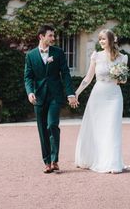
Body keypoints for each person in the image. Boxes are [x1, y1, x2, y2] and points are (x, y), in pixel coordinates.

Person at [24, 24, 78, 174]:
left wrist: (70, 94)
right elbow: (28, 77)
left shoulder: (58, 53)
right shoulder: (30, 55)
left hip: (55, 95)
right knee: (42, 130)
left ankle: (55, 160)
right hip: (39, 97)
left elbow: (65, 74)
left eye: (54, 36)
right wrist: (30, 93)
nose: (53, 38)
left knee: (52, 125)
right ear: (41, 37)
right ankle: (47, 162)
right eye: (50, 36)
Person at [74, 28, 128, 173]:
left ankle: (112, 163)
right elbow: (88, 77)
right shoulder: (96, 56)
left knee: (112, 128)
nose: (102, 41)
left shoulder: (122, 58)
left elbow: (123, 81)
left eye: (104, 39)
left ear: (111, 40)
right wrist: (77, 93)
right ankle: (96, 158)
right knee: (98, 129)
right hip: (98, 95)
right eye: (100, 39)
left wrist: (119, 75)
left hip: (114, 96)